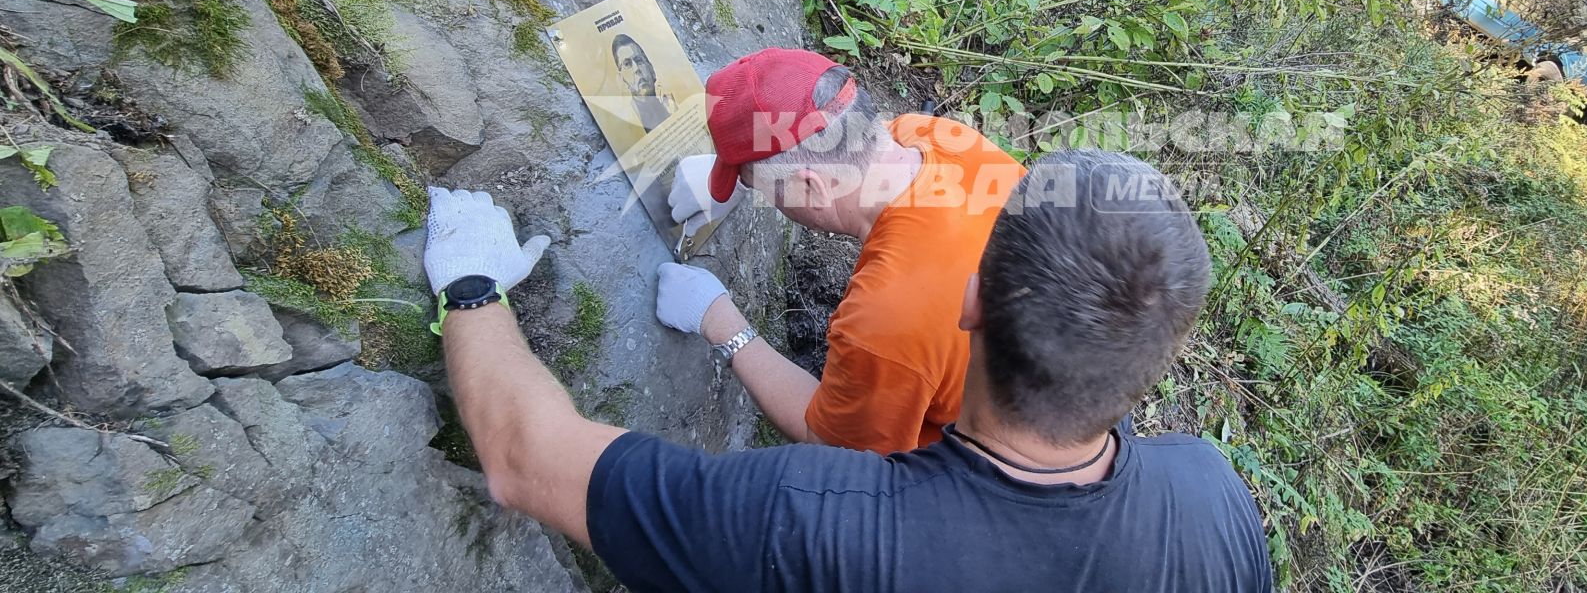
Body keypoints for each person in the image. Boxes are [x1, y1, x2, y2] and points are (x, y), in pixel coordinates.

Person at [427, 150, 1273, 592]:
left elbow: (526, 458)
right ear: (1156, 356)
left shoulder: (818, 528)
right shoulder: (1210, 496)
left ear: (970, 300)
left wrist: (469, 287)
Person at [656, 48, 1025, 454]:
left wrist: (721, 322)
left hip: (999, 465)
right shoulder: (929, 135)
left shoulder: (885, 319)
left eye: (769, 193)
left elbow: (829, 442)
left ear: (812, 188)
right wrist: (745, 175)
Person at [612, 33, 675, 130]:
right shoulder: (630, 121)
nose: (636, 68)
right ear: (622, 78)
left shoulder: (670, 104)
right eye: (627, 64)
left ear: (651, 68)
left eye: (639, 60)